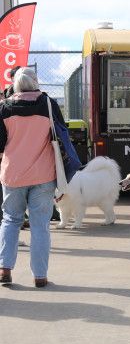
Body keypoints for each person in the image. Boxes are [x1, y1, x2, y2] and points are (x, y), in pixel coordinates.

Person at [0, 68, 60, 287]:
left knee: (10, 220)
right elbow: (61, 134)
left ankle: (4, 269)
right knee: (40, 226)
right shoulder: (48, 104)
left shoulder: (4, 108)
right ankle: (40, 276)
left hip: (13, 174)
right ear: (35, 82)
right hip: (43, 174)